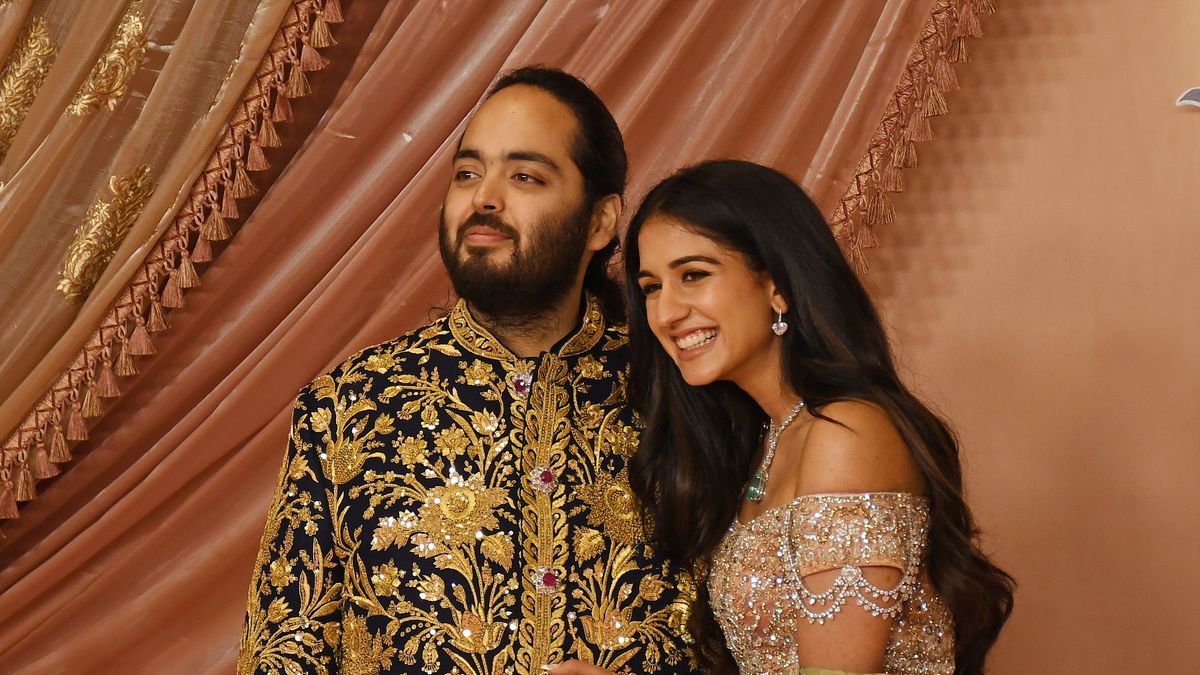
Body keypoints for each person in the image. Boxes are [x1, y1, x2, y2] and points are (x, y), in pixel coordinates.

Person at [238, 67, 698, 675]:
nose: (484, 197)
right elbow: (281, 656)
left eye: (525, 176)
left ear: (600, 221)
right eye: (467, 173)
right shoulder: (348, 406)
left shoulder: (681, 388)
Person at [622, 160, 1014, 675]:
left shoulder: (846, 433)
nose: (666, 313)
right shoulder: (769, 437)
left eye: (693, 275)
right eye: (651, 287)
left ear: (777, 285)